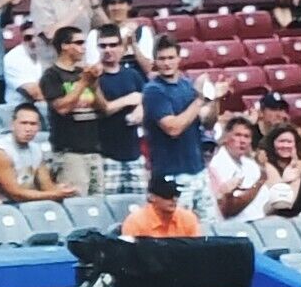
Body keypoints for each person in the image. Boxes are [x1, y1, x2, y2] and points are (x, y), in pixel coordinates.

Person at [143, 37, 219, 229]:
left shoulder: (187, 86)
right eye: (161, 58)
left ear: (179, 59)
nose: (167, 63)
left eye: (171, 57)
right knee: (177, 229)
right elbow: (173, 128)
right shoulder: (154, 91)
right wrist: (201, 100)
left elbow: (207, 122)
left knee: (209, 228)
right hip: (172, 173)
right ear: (155, 61)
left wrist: (215, 99)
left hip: (198, 170)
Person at [38, 25, 105, 196]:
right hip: (69, 153)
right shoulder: (52, 75)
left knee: (98, 202)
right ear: (64, 46)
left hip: (93, 148)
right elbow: (61, 108)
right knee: (76, 202)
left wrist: (94, 84)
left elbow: (103, 107)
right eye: (79, 42)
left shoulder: (83, 73)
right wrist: (83, 83)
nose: (83, 47)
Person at [92, 25, 148, 195]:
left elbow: (148, 99)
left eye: (113, 45)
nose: (108, 50)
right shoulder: (94, 77)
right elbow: (102, 109)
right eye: (103, 46)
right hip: (106, 156)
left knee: (138, 207)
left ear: (122, 47)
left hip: (134, 155)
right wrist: (128, 100)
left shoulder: (132, 75)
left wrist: (141, 109)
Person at [0, 103, 70, 204]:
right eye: (23, 123)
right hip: (4, 204)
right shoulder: (0, 152)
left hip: (28, 202)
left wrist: (60, 191)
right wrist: (54, 194)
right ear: (13, 124)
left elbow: (46, 185)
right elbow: (14, 194)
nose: (28, 129)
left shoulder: (36, 149)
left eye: (33, 124)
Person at [209, 115, 271, 226]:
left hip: (261, 224)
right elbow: (229, 208)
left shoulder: (252, 165)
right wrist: (260, 181)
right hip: (232, 227)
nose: (242, 141)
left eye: (246, 136)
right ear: (227, 136)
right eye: (238, 135)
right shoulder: (216, 164)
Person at [82, 0, 153, 74]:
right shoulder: (95, 34)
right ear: (106, 7)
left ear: (129, 6)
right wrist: (123, 46)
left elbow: (149, 70)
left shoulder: (143, 31)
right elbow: (93, 71)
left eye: (121, 2)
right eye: (112, 3)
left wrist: (134, 45)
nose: (117, 7)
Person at [120, 172, 204, 238]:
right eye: (167, 194)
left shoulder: (188, 218)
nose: (174, 199)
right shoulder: (135, 222)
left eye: (176, 194)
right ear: (151, 197)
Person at [257, 123, 301, 217]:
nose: (285, 145)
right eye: (281, 141)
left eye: (289, 142)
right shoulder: (264, 167)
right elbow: (265, 209)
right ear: (272, 143)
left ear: (295, 144)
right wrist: (284, 182)